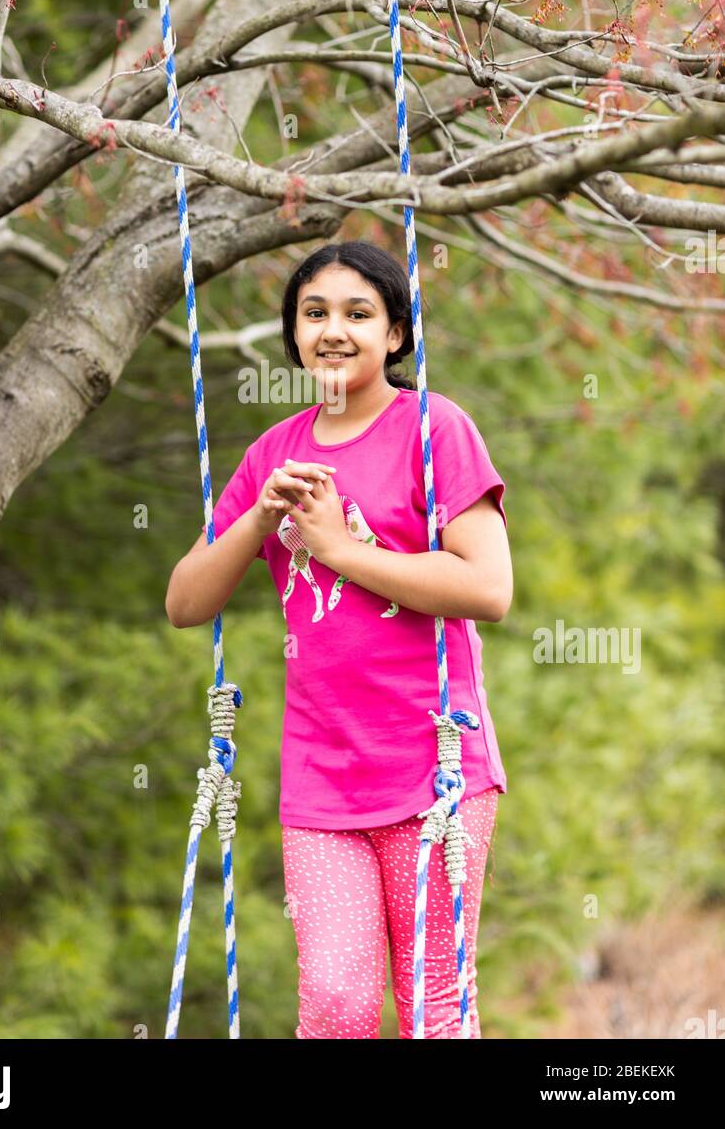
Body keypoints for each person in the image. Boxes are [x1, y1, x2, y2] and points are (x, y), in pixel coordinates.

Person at [165, 240, 513, 1038]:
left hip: (435, 770)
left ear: (395, 334)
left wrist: (341, 551)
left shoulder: (434, 429)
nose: (333, 330)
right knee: (335, 1004)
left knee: (432, 1002)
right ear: (292, 332)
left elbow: (489, 588)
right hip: (321, 780)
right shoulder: (271, 457)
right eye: (313, 313)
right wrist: (258, 518)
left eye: (359, 314)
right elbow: (186, 602)